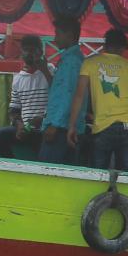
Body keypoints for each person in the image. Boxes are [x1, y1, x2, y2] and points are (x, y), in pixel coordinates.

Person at [69, 27, 128, 172]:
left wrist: (72, 126)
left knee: (98, 176)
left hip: (103, 127)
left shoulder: (90, 64)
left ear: (105, 45)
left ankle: (102, 195)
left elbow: (79, 96)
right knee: (124, 178)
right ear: (123, 47)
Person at [0, 35, 53, 159]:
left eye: (34, 50)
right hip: (25, 129)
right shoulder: (18, 79)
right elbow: (14, 110)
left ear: (40, 52)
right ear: (22, 52)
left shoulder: (50, 70)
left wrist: (44, 69)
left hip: (44, 128)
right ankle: (12, 167)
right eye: (26, 50)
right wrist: (19, 125)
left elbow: (58, 94)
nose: (30, 54)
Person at [38, 15, 88, 165]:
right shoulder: (72, 59)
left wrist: (55, 124)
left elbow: (69, 95)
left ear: (69, 35)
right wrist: (45, 70)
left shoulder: (71, 61)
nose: (55, 38)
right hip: (65, 126)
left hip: (61, 128)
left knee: (48, 173)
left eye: (58, 34)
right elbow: (61, 90)